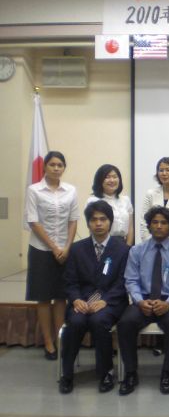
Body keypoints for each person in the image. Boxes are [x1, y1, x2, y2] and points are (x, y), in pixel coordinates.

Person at [59, 200, 129, 394]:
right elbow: (70, 281)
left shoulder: (123, 249)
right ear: (88, 223)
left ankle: (106, 372)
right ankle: (67, 374)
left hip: (110, 302)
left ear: (110, 222)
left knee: (99, 321)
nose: (98, 223)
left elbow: (123, 282)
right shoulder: (77, 249)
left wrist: (106, 300)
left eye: (103, 219)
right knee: (76, 322)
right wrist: (76, 299)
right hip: (82, 301)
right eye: (93, 220)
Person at [118, 206, 169, 395]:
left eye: (163, 223)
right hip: (143, 300)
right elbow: (131, 280)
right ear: (149, 226)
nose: (158, 226)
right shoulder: (137, 250)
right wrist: (139, 301)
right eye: (155, 222)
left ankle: (167, 374)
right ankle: (131, 373)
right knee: (125, 323)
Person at [24, 151, 79, 360]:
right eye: (52, 164)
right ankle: (48, 343)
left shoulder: (70, 190)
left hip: (65, 250)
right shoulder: (34, 190)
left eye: (60, 165)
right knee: (44, 297)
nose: (56, 168)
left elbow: (73, 220)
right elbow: (33, 221)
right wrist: (54, 247)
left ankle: (59, 339)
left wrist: (67, 247)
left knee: (61, 296)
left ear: (64, 168)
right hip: (41, 250)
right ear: (45, 167)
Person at [87, 164, 134, 246]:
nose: (112, 180)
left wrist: (128, 247)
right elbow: (92, 228)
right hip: (102, 243)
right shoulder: (93, 201)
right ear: (100, 180)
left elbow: (130, 228)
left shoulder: (125, 200)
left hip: (123, 244)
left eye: (115, 177)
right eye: (107, 177)